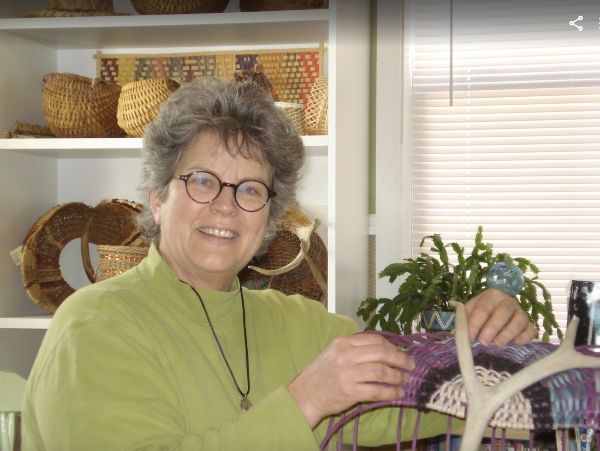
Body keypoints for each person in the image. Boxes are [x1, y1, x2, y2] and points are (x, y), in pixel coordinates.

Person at [21, 77, 537, 450]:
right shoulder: (94, 324)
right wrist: (305, 400)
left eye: (250, 189)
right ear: (157, 199)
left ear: (269, 218)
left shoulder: (298, 323)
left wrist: (495, 344)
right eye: (202, 180)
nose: (225, 206)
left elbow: (427, 394)